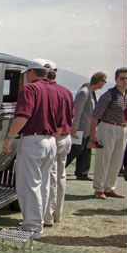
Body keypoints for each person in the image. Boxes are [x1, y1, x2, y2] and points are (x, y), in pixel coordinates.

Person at [2, 59, 60, 240]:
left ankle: (31, 227)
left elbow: (23, 115)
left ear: (32, 73)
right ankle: (38, 223)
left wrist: (10, 137)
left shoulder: (29, 89)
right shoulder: (53, 90)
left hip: (33, 141)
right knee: (42, 185)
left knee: (29, 184)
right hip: (50, 140)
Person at [88, 67, 127, 199]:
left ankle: (109, 187)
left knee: (117, 160)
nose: (125, 81)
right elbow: (96, 115)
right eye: (122, 78)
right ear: (116, 79)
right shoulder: (108, 95)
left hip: (123, 129)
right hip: (108, 127)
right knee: (104, 159)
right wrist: (93, 135)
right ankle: (99, 189)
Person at [44, 60, 74, 227]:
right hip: (66, 137)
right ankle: (57, 213)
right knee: (61, 176)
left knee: (50, 177)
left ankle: (47, 216)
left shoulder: (49, 91)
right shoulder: (67, 92)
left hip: (55, 137)